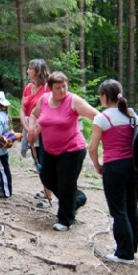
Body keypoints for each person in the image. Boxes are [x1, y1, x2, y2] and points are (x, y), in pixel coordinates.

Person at [29, 71, 98, 231]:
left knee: (66, 184)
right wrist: (32, 129)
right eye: (58, 87)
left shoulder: (73, 101)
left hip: (72, 150)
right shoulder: (44, 100)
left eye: (64, 86)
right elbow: (34, 114)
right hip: (50, 149)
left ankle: (65, 219)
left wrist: (107, 131)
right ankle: (77, 199)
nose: (62, 90)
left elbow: (96, 115)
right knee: (47, 178)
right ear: (50, 88)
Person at [88, 80, 138, 264]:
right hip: (134, 167)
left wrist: (97, 165)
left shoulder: (102, 118)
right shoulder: (131, 114)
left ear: (104, 96)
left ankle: (124, 253)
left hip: (114, 167)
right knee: (131, 207)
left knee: (118, 210)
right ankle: (132, 247)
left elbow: (92, 148)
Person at [20, 59, 54, 208]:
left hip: (43, 129)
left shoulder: (47, 88)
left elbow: (48, 111)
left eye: (30, 68)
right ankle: (46, 188)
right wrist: (27, 128)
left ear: (38, 71)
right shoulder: (28, 87)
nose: (27, 71)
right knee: (36, 161)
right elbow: (22, 109)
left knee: (44, 161)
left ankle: (49, 196)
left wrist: (35, 130)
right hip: (30, 126)